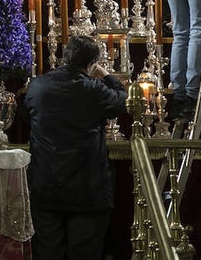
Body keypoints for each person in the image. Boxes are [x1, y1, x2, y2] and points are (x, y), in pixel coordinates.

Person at [23, 35, 127, 260]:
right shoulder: (93, 89)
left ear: (65, 57)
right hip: (87, 189)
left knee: (48, 253)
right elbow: (122, 102)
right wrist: (107, 76)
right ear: (91, 64)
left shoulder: (38, 86)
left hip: (46, 186)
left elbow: (26, 114)